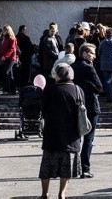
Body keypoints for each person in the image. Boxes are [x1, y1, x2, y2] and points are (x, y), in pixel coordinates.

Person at [39, 62, 82, 199]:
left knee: (46, 167)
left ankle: (45, 193)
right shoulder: (77, 89)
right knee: (66, 168)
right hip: (71, 134)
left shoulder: (50, 90)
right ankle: (62, 193)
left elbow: (43, 110)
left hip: (52, 132)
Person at [72, 43, 103, 179]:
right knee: (89, 138)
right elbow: (99, 87)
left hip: (75, 105)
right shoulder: (89, 68)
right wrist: (89, 85)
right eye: (92, 53)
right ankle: (85, 168)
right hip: (90, 105)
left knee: (75, 136)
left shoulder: (72, 67)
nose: (94, 56)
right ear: (84, 54)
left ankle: (73, 167)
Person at [0, 25, 19, 95]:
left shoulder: (12, 38)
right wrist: (0, 55)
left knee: (6, 72)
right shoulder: (5, 38)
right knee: (10, 74)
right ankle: (12, 90)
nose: (3, 32)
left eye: (5, 30)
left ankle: (7, 89)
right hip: (7, 58)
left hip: (11, 58)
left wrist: (5, 56)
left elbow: (12, 49)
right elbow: (3, 48)